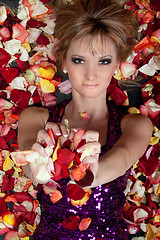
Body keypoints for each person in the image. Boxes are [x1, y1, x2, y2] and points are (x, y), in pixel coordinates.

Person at [18, 0, 153, 239]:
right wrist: (37, 165)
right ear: (64, 61)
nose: (92, 74)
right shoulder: (35, 116)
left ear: (117, 63)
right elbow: (31, 167)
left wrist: (90, 174)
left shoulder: (136, 125)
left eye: (104, 61)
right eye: (79, 60)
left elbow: (120, 160)